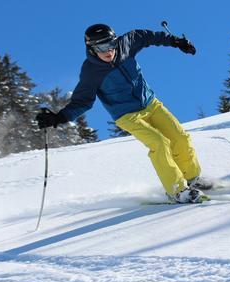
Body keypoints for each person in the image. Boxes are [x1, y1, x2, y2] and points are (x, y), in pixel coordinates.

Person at [36, 24, 213, 203]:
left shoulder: (126, 44)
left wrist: (175, 41)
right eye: (101, 48)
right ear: (91, 48)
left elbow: (147, 36)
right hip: (126, 115)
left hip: (151, 104)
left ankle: (192, 179)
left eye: (111, 44)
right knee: (159, 143)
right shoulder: (91, 72)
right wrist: (59, 117)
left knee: (180, 138)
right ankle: (177, 190)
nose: (109, 51)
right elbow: (83, 101)